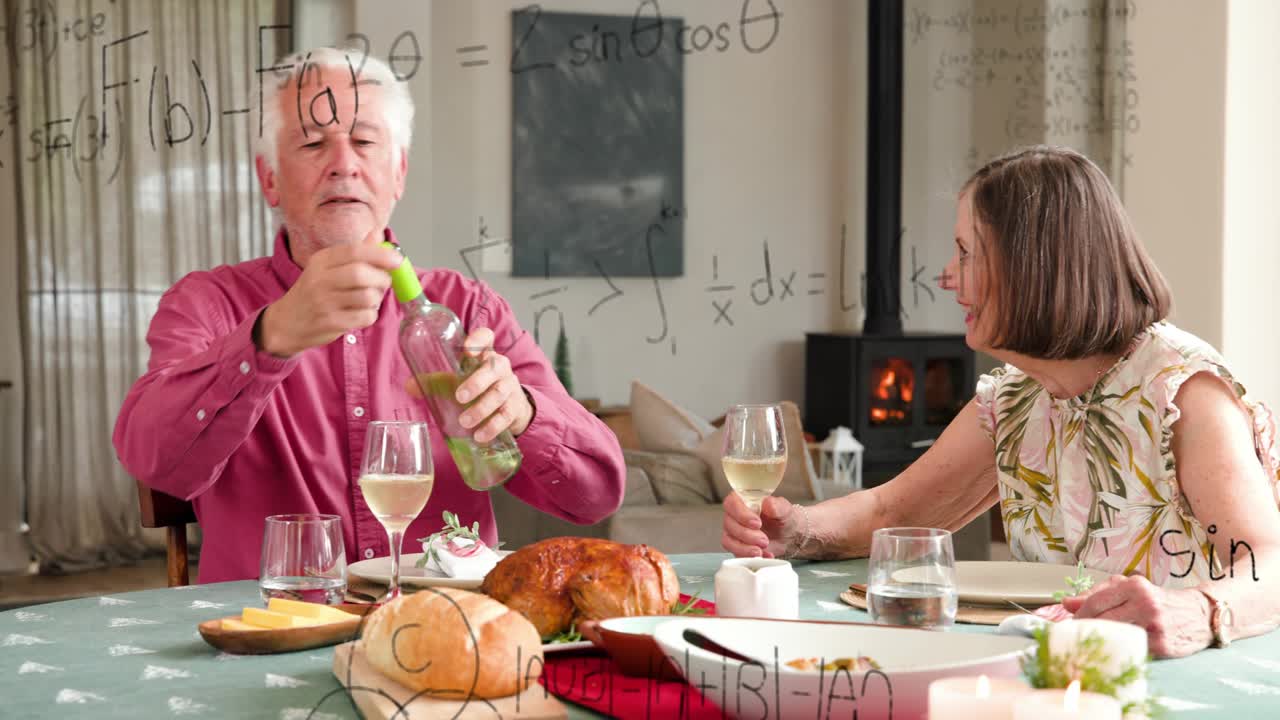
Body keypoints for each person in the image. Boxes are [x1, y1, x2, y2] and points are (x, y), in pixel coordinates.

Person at [722, 146, 1280, 657]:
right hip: (1064, 680)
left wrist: (1197, 612)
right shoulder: (1017, 399)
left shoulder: (1181, 390)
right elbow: (894, 513)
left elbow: (1269, 564)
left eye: (965, 253)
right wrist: (794, 530)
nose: (946, 276)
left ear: (1033, 264)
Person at [113, 48, 626, 584]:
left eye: (364, 141)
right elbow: (153, 460)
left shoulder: (468, 309)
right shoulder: (207, 303)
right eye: (312, 142)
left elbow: (597, 494)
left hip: (445, 634)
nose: (343, 163)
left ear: (398, 172)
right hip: (269, 632)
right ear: (269, 179)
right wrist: (270, 338)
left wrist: (521, 414)